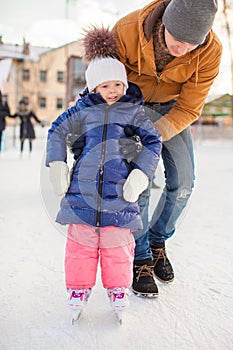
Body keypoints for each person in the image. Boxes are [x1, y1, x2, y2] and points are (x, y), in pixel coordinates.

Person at [46, 27, 162, 321]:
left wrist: (141, 174)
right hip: (82, 191)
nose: (113, 91)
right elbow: (57, 131)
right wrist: (57, 165)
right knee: (80, 244)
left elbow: (153, 141)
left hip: (120, 192)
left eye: (117, 85)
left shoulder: (133, 113)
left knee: (118, 245)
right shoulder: (81, 111)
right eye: (105, 86)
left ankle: (119, 288)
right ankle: (78, 288)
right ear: (93, 88)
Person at [112, 0, 222, 296]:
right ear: (165, 25)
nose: (182, 49)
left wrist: (154, 135)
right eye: (178, 40)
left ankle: (158, 240)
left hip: (173, 112)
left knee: (184, 181)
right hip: (130, 107)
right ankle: (141, 255)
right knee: (140, 183)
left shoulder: (210, 51)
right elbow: (107, 85)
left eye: (191, 44)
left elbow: (190, 106)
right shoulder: (126, 30)